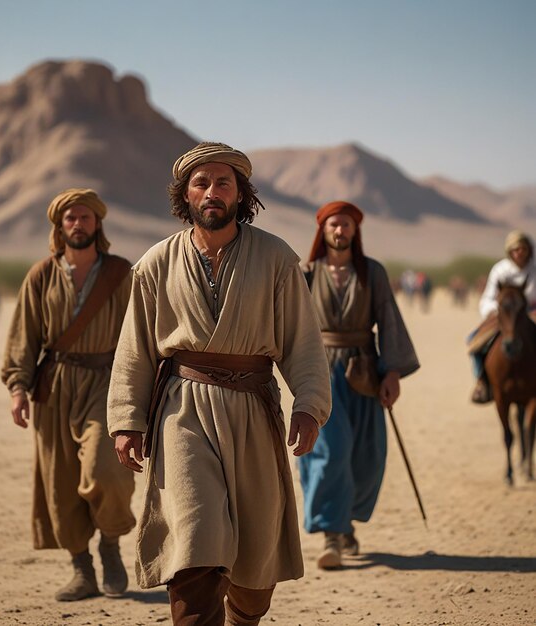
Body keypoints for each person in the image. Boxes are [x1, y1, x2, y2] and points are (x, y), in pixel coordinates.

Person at [106, 142, 332, 625]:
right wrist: (127, 421)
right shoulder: (155, 263)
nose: (212, 191)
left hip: (253, 408)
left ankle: (243, 617)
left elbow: (302, 341)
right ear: (185, 195)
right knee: (194, 537)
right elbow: (135, 349)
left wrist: (308, 405)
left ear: (240, 193)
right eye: (201, 183)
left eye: (223, 182)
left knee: (254, 560)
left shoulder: (276, 258)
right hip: (181, 410)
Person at [1, 188, 136, 601]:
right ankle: (82, 569)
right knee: (58, 482)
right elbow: (24, 336)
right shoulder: (41, 275)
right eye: (70, 219)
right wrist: (18, 388)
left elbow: (139, 333)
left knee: (107, 470)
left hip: (106, 381)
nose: (78, 224)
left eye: (85, 217)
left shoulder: (119, 272)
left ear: (98, 224)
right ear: (60, 227)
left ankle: (110, 547)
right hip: (54, 386)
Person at [298, 201, 420, 569]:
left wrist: (393, 373)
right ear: (323, 230)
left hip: (365, 370)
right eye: (334, 224)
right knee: (331, 451)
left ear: (355, 231)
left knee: (367, 456)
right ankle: (331, 534)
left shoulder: (373, 272)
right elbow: (291, 324)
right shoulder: (306, 273)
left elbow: (389, 320)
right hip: (320, 371)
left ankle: (345, 518)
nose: (340, 230)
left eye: (347, 225)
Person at [468, 230, 536, 403]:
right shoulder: (500, 270)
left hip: (531, 314)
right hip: (504, 315)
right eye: (515, 249)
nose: (519, 252)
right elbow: (488, 298)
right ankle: (482, 382)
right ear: (510, 251)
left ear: (529, 250)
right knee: (474, 342)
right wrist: (497, 310)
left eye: (523, 248)